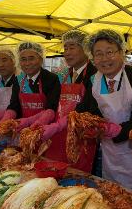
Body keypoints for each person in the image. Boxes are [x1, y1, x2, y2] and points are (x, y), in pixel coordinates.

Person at [42, 29, 132, 191]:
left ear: (122, 52)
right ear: (92, 57)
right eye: (98, 54)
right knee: (111, 190)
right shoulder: (94, 80)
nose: (104, 59)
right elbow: (83, 111)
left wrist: (110, 129)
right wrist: (57, 126)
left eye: (110, 52)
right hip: (108, 152)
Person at [40, 30, 97, 172]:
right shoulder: (66, 74)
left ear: (85, 49)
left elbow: (88, 109)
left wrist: (60, 125)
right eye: (65, 48)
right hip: (62, 135)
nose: (67, 52)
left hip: (83, 137)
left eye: (72, 47)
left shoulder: (94, 73)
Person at [0, 41, 60, 128]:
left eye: (31, 58)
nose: (27, 63)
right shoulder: (18, 80)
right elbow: (14, 105)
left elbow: (51, 108)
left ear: (41, 59)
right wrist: (6, 119)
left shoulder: (51, 78)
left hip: (45, 129)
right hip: (21, 128)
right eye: (23, 59)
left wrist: (33, 122)